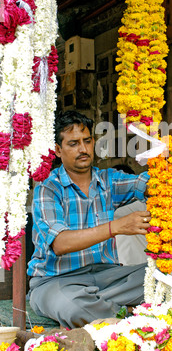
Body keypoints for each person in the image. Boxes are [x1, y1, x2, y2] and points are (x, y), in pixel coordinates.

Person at [27, 111, 151, 328]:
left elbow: (147, 184)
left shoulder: (108, 179)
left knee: (162, 279)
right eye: (73, 143)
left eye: (87, 141)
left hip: (108, 277)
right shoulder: (47, 189)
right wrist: (116, 227)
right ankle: (127, 313)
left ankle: (103, 307)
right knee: (72, 307)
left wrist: (166, 154)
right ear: (58, 150)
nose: (83, 149)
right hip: (56, 281)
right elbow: (61, 243)